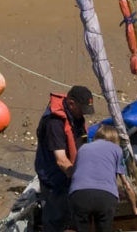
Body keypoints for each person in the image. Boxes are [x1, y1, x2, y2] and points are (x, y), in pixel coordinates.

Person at [34, 85, 95, 232]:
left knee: (71, 214)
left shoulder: (76, 117)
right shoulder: (54, 123)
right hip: (54, 178)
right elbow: (61, 159)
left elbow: (82, 142)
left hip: (71, 174)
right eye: (82, 110)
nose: (83, 114)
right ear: (71, 103)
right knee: (55, 217)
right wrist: (80, 179)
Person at [69, 125, 137, 232]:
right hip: (106, 196)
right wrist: (135, 208)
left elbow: (75, 174)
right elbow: (127, 185)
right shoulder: (117, 150)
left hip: (79, 194)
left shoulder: (83, 148)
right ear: (115, 139)